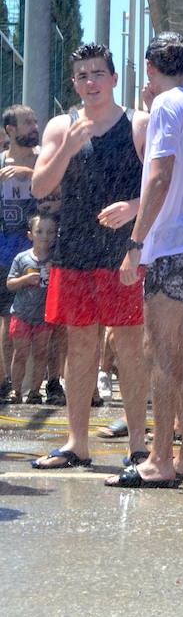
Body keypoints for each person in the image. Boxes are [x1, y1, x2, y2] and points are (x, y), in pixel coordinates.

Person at [108, 32, 183, 487]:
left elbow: (158, 176)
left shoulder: (165, 107)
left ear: (150, 68)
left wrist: (136, 244)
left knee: (159, 350)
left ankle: (159, 458)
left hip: (171, 242)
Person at [30, 43, 151, 470]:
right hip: (75, 251)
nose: (90, 82)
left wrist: (134, 208)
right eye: (82, 76)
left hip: (123, 255)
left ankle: (138, 444)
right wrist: (66, 148)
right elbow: (40, 189)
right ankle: (77, 443)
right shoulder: (61, 127)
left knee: (130, 348)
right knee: (80, 348)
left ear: (114, 79)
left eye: (98, 73)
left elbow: (166, 185)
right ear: (74, 83)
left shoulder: (139, 124)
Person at [0, 105, 41, 402]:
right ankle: (6, 382)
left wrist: (31, 173)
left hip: (41, 251)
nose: (34, 126)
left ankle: (47, 383)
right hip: (5, 251)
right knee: (5, 319)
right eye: (27, 122)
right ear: (10, 130)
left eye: (35, 121)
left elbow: (63, 187)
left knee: (46, 322)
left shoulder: (43, 161)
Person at [6, 214, 56, 402]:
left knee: (41, 352)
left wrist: (55, 274)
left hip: (44, 315)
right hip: (22, 313)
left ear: (55, 236)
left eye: (50, 232)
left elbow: (62, 286)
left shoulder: (55, 259)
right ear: (30, 235)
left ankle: (35, 391)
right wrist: (25, 280)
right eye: (40, 231)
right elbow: (10, 283)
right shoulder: (21, 258)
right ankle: (16, 390)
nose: (45, 236)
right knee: (20, 353)